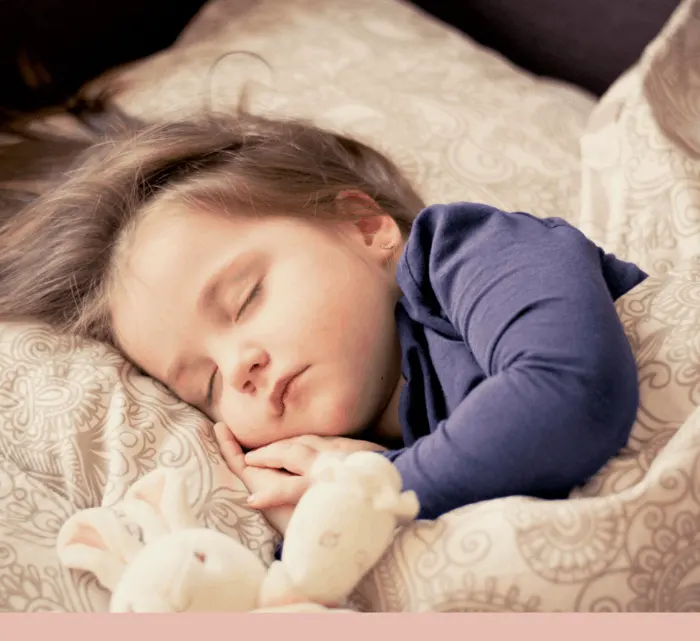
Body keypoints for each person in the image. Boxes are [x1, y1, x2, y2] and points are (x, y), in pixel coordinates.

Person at [0, 108, 646, 535]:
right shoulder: (359, 454)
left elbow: (571, 391)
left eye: (246, 296)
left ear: (366, 227)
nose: (239, 366)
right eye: (206, 387)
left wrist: (376, 487)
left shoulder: (472, 251)